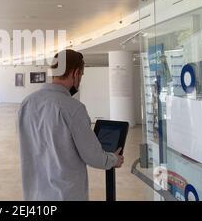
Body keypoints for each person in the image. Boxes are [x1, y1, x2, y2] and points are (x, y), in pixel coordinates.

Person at [18, 49, 124, 201]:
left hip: (34, 194)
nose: (80, 79)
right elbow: (93, 157)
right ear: (75, 73)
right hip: (65, 195)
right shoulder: (73, 108)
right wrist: (113, 159)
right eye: (81, 75)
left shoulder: (27, 103)